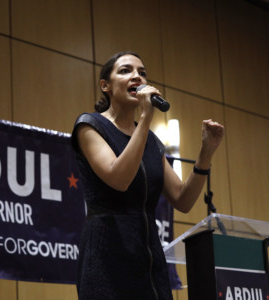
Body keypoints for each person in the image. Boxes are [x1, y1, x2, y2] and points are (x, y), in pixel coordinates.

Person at [71, 51, 224, 299]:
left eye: (142, 73)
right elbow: (119, 179)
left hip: (148, 259)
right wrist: (145, 118)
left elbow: (183, 200)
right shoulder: (90, 126)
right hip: (106, 257)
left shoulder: (151, 142)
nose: (137, 77)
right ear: (105, 86)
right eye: (125, 71)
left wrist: (206, 152)